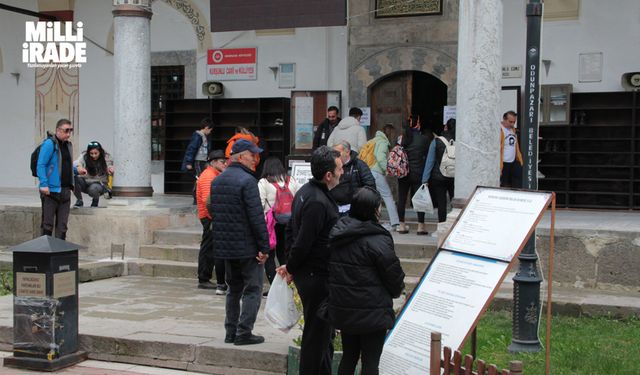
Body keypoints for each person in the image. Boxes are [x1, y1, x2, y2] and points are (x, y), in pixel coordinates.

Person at [277, 146, 343, 375]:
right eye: (340, 168)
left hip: (311, 272)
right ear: (328, 175)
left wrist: (291, 263)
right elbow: (303, 240)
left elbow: (291, 230)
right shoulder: (316, 200)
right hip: (315, 276)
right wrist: (292, 266)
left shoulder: (307, 191)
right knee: (316, 337)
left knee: (324, 334)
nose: (342, 172)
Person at [326, 187, 405, 375]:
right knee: (370, 363)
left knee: (349, 357)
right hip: (372, 311)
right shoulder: (377, 240)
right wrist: (396, 291)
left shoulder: (339, 234)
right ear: (373, 210)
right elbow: (393, 276)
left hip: (346, 308)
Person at [210, 139, 270, 346]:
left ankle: (231, 331)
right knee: (253, 289)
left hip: (227, 247)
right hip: (247, 247)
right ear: (241, 156)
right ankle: (244, 332)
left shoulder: (218, 181)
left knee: (233, 289)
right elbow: (256, 217)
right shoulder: (247, 181)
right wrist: (264, 247)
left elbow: (213, 212)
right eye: (252, 155)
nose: (255, 159)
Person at [258, 157, 301, 284]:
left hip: (272, 223)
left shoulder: (264, 182)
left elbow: (260, 204)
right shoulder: (291, 180)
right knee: (284, 251)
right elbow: (299, 198)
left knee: (270, 254)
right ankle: (287, 283)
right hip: (289, 222)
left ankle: (274, 285)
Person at [195, 149, 228, 293]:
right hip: (209, 217)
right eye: (222, 162)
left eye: (225, 161)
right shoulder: (209, 176)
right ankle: (203, 278)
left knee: (210, 247)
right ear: (213, 162)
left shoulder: (214, 174)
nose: (225, 164)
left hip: (210, 216)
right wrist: (216, 218)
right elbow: (209, 201)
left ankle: (205, 277)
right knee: (208, 248)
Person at [37, 119, 74, 239]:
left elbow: (64, 165)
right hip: (50, 191)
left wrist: (76, 171)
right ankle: (45, 253)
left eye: (70, 130)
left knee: (62, 226)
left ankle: (60, 253)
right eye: (66, 130)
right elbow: (41, 164)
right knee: (47, 224)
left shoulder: (68, 145)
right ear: (58, 130)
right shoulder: (49, 144)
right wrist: (43, 184)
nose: (68, 134)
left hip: (65, 190)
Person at [397, 115, 430, 234]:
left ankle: (401, 225)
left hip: (403, 172)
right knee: (419, 199)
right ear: (418, 124)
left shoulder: (402, 139)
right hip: (418, 173)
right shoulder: (424, 139)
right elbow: (427, 157)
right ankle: (421, 226)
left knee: (401, 198)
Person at [422, 118, 456, 223]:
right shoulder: (459, 140)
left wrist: (425, 179)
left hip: (439, 176)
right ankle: (455, 225)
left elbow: (430, 161)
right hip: (454, 176)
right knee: (455, 202)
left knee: (441, 203)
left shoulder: (436, 141)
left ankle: (442, 226)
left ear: (446, 127)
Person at [330, 141, 375, 215]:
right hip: (333, 208)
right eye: (334, 153)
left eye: (338, 153)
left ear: (347, 152)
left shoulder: (359, 165)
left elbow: (370, 186)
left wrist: (361, 204)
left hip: (353, 209)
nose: (335, 156)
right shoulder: (332, 165)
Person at [369, 124, 400, 231]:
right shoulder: (383, 142)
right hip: (377, 172)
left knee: (374, 198)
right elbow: (380, 156)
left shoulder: (374, 140)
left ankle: (373, 221)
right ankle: (394, 223)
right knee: (388, 197)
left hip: (369, 171)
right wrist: (386, 169)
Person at [73, 141, 114, 208]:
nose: (93, 155)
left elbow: (109, 165)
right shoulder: (84, 156)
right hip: (85, 182)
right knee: (73, 179)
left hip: (99, 185)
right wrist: (79, 168)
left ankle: (95, 201)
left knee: (93, 188)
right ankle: (79, 200)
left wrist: (110, 169)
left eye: (96, 153)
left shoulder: (106, 157)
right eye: (91, 153)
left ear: (100, 152)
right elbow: (77, 163)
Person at [181, 118, 213, 203]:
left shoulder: (204, 136)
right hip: (198, 161)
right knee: (200, 178)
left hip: (203, 160)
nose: (210, 132)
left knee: (202, 178)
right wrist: (188, 162)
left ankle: (200, 197)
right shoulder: (197, 136)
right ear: (206, 127)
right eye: (210, 130)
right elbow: (191, 149)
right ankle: (196, 198)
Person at [500, 111, 522, 188]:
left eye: (514, 122)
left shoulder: (513, 130)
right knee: (503, 183)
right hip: (503, 162)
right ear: (504, 119)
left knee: (515, 182)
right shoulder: (500, 129)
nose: (512, 124)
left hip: (513, 160)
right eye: (510, 122)